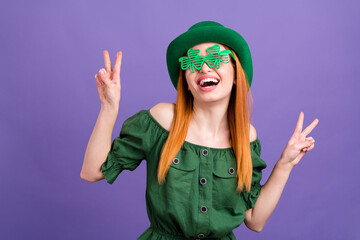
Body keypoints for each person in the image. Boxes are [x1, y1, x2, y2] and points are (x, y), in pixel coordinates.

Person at [80, 21, 319, 239]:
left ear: (236, 74)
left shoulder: (247, 137)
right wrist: (109, 107)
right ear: (185, 78)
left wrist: (285, 165)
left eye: (216, 58)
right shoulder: (162, 120)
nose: (204, 67)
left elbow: (255, 220)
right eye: (192, 62)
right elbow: (92, 172)